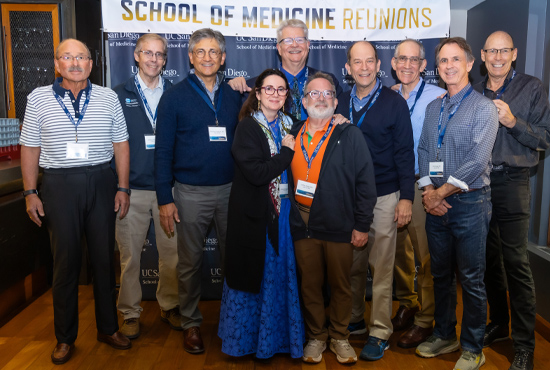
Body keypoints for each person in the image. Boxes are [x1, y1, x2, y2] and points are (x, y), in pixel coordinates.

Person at [20, 38, 131, 365]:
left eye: (81, 57)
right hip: (59, 185)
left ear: (91, 64)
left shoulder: (109, 97)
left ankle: (108, 328)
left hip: (100, 181)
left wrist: (123, 187)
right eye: (67, 57)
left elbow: (121, 144)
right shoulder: (38, 98)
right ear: (57, 64)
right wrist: (30, 193)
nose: (75, 63)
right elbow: (29, 148)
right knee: (65, 264)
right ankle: (65, 337)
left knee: (102, 259)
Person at [154, 28, 242, 354]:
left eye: (213, 52)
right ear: (190, 57)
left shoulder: (234, 97)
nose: (207, 58)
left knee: (233, 259)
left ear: (222, 58)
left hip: (231, 191)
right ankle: (191, 323)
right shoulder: (174, 97)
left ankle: (234, 319)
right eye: (200, 52)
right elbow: (162, 151)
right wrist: (165, 198)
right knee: (189, 263)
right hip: (189, 193)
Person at [416, 37, 498, 370]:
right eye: (443, 61)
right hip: (435, 205)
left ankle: (472, 348)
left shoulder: (483, 107)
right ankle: (444, 334)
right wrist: (427, 191)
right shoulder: (434, 106)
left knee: (471, 278)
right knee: (440, 276)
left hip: (469, 203)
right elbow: (423, 150)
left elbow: (478, 160)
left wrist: (440, 193)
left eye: (455, 60)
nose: (448, 66)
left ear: (468, 64)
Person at [334, 41, 415, 361]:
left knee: (380, 269)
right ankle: (355, 318)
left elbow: (404, 155)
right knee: (351, 265)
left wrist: (406, 198)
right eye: (357, 62)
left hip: (384, 195)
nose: (364, 67)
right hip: (348, 198)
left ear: (378, 65)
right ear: (349, 68)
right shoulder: (338, 100)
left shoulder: (394, 103)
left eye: (370, 61)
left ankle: (380, 330)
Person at [289, 72, 377, 365]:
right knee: (310, 284)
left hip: (339, 223)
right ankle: (316, 336)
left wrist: (362, 225)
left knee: (341, 285)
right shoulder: (293, 132)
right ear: (304, 101)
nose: (321, 98)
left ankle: (340, 336)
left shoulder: (348, 134)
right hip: (303, 224)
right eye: (314, 93)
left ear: (336, 101)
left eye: (327, 93)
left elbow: (365, 182)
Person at [474, 30, 550, 370]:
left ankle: (524, 345)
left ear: (514, 53)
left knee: (516, 264)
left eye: (504, 51)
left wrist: (513, 122)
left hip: (513, 181)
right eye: (492, 51)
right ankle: (500, 323)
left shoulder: (532, 88)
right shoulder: (474, 92)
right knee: (488, 260)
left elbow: (545, 139)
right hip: (478, 183)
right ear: (483, 55)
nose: (498, 57)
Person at [218, 69, 304, 359]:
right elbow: (256, 173)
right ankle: (243, 343)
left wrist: (339, 118)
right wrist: (285, 154)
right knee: (251, 275)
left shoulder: (293, 124)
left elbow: (321, 127)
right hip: (254, 214)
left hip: (284, 213)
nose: (275, 94)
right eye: (269, 89)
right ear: (257, 93)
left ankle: (279, 341)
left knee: (280, 277)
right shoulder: (247, 127)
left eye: (281, 90)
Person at [112, 33, 180, 340]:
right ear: (136, 56)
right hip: (133, 189)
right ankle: (129, 313)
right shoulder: (117, 95)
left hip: (170, 188)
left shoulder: (178, 94)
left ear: (165, 60)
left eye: (159, 54)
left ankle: (170, 305)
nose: (154, 59)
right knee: (130, 257)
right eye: (147, 53)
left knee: (173, 253)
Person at [390, 39, 446, 349]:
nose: (408, 65)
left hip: (423, 184)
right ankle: (407, 303)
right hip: (391, 185)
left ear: (424, 65)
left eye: (415, 60)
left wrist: (434, 187)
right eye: (402, 59)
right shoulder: (387, 96)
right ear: (393, 64)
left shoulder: (439, 96)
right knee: (398, 252)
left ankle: (426, 319)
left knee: (425, 255)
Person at [228, 19, 342, 121]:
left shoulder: (328, 82)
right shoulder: (254, 87)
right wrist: (231, 86)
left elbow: (340, 118)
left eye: (300, 40)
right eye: (287, 40)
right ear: (279, 48)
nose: (294, 45)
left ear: (308, 45)